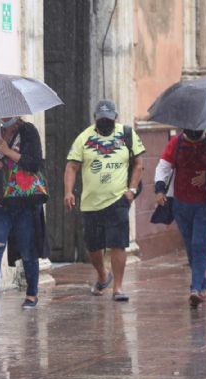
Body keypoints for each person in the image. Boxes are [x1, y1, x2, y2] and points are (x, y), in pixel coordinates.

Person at [64, 99, 145, 301]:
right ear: (95, 119)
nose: (105, 123)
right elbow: (71, 167)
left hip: (118, 199)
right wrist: (68, 192)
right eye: (102, 120)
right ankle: (102, 275)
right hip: (91, 202)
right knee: (93, 246)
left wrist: (132, 190)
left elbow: (138, 163)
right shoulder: (84, 138)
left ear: (115, 118)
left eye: (109, 120)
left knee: (118, 243)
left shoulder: (127, 134)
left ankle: (117, 288)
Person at [0, 116, 49, 311]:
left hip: (24, 200)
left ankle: (32, 294)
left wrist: (7, 151)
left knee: (27, 249)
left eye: (8, 112)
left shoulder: (28, 131)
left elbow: (34, 164)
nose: (4, 116)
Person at [154, 129, 206, 307]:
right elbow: (163, 166)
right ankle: (202, 284)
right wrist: (159, 190)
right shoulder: (176, 143)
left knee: (198, 244)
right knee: (190, 245)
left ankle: (194, 288)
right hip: (181, 204)